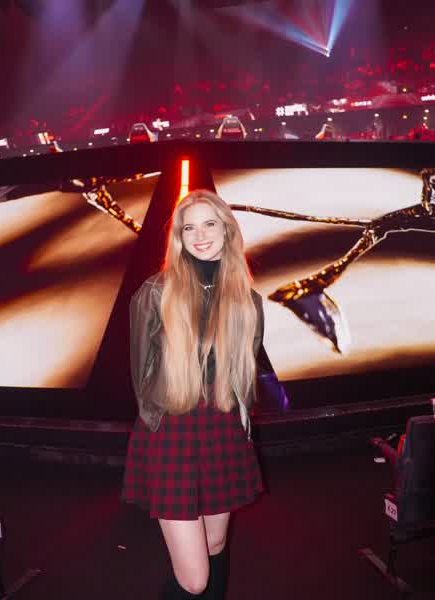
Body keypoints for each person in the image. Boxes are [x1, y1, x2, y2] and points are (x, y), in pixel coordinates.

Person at [122, 189, 265, 598]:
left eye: (209, 224)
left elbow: (245, 373)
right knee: (194, 579)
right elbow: (141, 374)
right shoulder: (155, 292)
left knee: (216, 546)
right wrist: (157, 424)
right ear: (179, 238)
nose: (200, 235)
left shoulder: (247, 300)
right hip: (172, 432)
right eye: (189, 228)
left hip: (223, 431)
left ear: (227, 230)